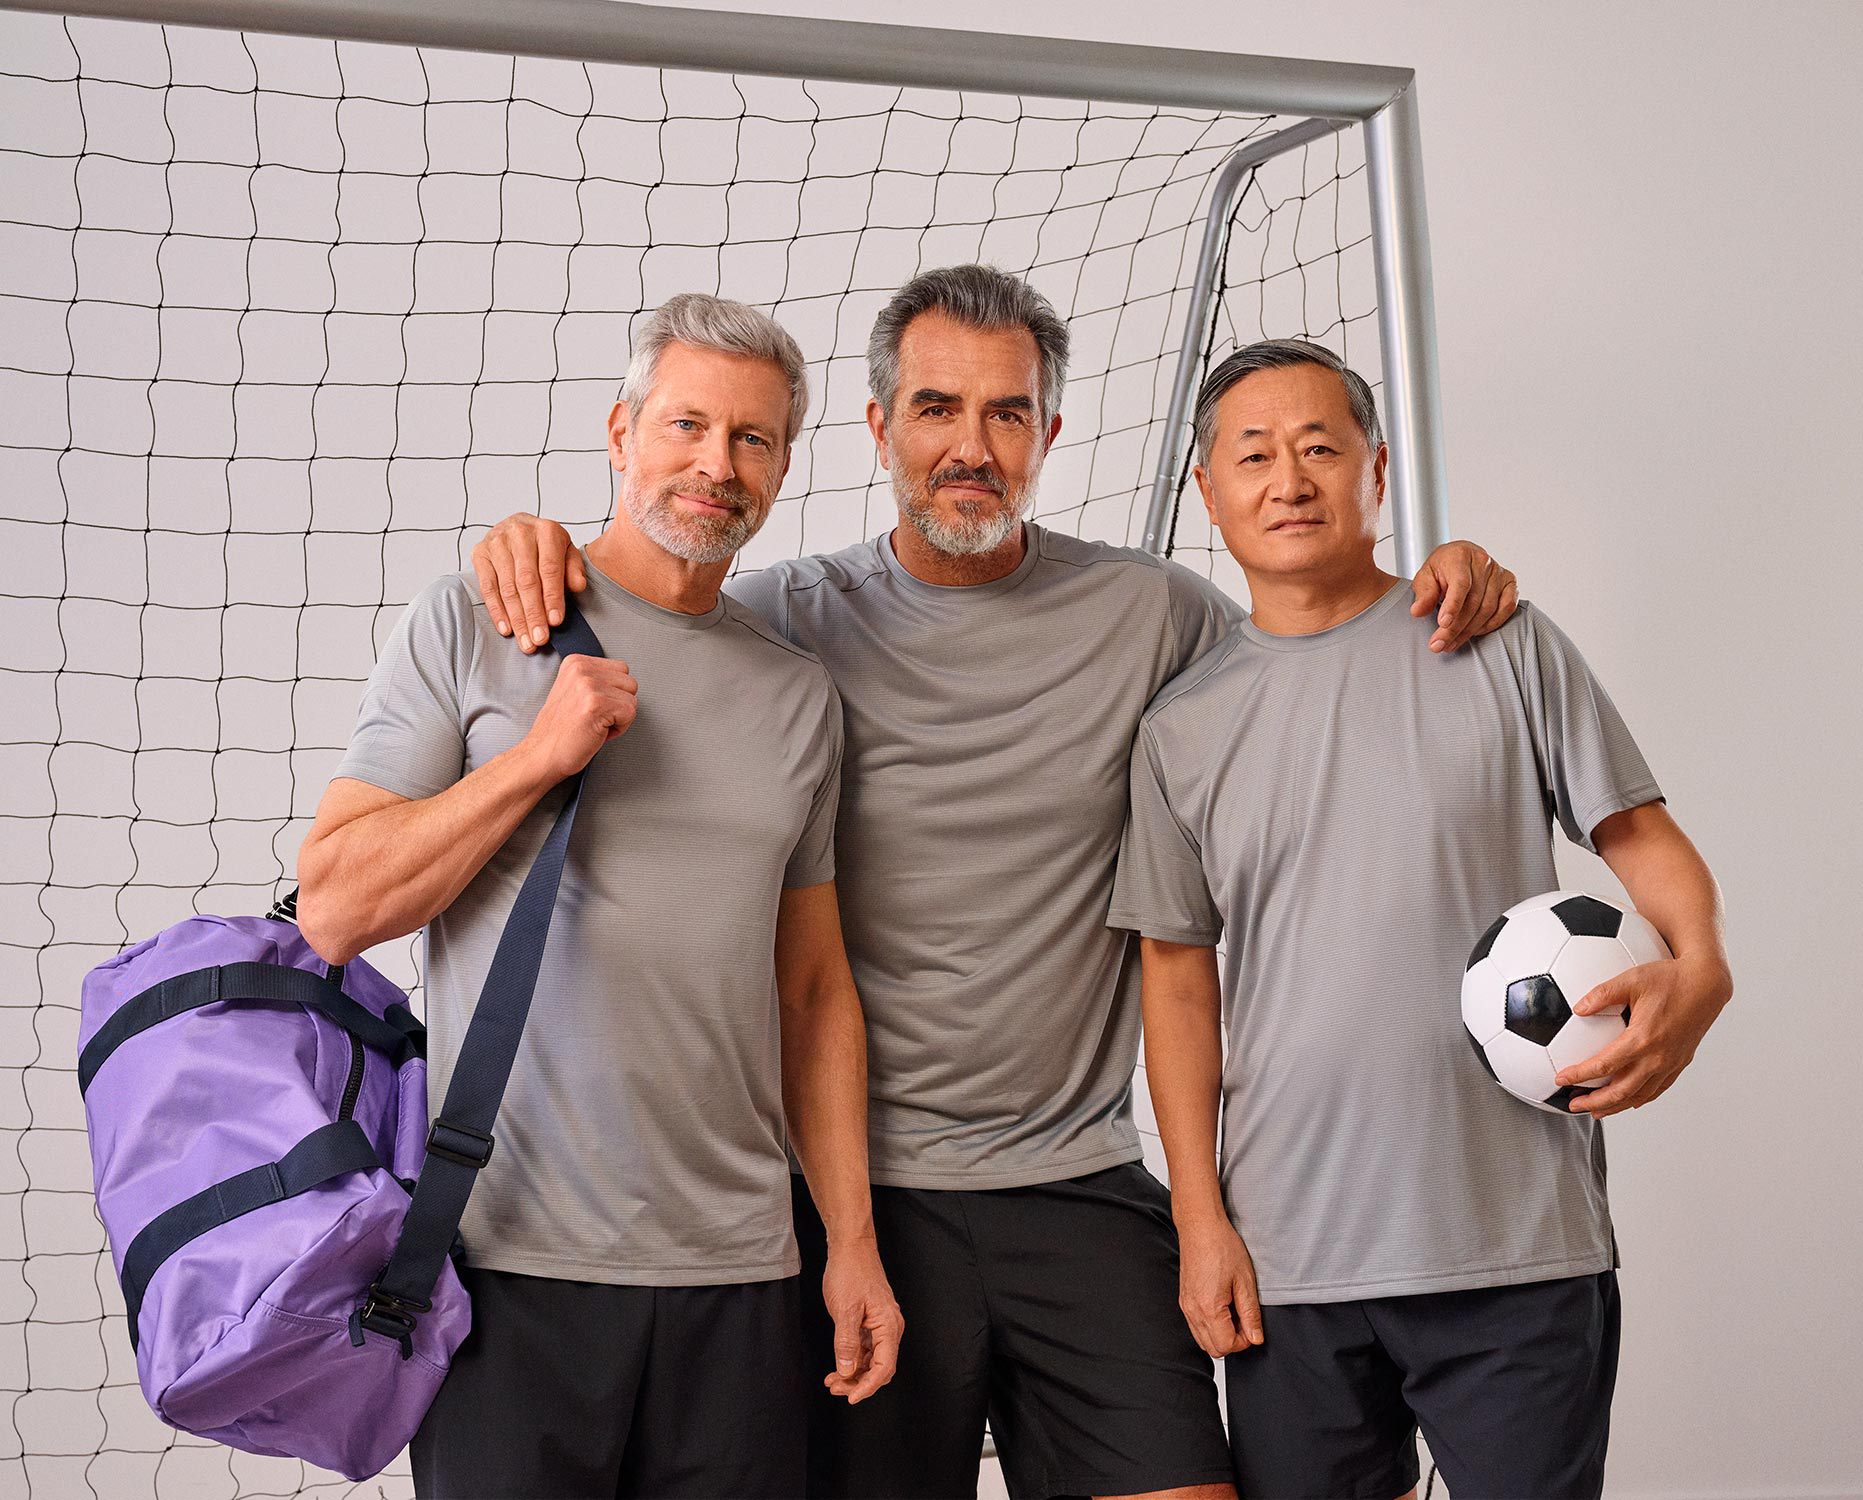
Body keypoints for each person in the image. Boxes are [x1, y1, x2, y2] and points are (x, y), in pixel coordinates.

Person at [467, 266, 1518, 1500]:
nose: (970, 446)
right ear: (875, 428)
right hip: (854, 1207)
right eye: (934, 409)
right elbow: (653, 593)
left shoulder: (1154, 615)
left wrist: (1441, 581)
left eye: (1006, 414)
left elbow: (1311, 653)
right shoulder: (782, 627)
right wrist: (535, 543)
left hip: (1078, 1181)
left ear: (1048, 434)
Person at [296, 293, 901, 1500]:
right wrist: (534, 759)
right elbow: (334, 909)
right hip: (505, 1268)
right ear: (620, 434)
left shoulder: (796, 697)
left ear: (783, 468)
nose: (713, 466)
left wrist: (852, 1248)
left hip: (740, 1275)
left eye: (751, 440)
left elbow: (816, 991)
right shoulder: (477, 621)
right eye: (684, 426)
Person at [1110, 338, 1733, 1500]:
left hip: (1510, 1240)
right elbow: (1177, 984)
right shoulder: (1179, 730)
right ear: (1208, 491)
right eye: (1252, 454)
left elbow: (1636, 836)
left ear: (1375, 471)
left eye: (1317, 448)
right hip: (1292, 1259)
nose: (1287, 479)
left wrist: (1700, 969)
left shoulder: (1491, 637)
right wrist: (1199, 1221)